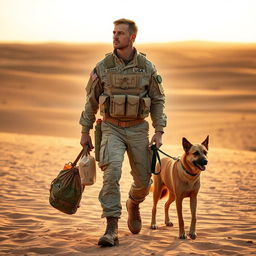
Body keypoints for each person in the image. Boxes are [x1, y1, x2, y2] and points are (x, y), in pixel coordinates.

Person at [79, 18, 167, 246]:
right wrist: (85, 130)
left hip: (138, 129)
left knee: (143, 180)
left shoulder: (147, 68)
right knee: (112, 173)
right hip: (110, 127)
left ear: (132, 37)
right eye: (114, 32)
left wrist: (159, 131)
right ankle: (111, 227)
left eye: (120, 33)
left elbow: (157, 100)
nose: (115, 36)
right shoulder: (103, 66)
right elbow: (90, 101)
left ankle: (133, 203)